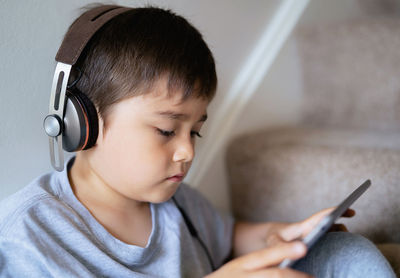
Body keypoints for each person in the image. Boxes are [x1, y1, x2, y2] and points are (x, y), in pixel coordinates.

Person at [0, 4, 395, 277]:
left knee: (345, 253)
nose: (187, 151)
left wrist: (280, 236)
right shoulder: (29, 234)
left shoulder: (177, 204)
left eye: (196, 131)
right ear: (80, 123)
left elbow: (230, 236)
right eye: (167, 131)